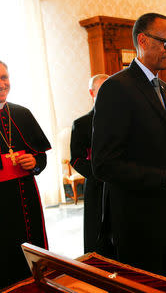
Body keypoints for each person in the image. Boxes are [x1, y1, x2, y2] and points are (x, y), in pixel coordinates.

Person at [91, 13, 166, 280]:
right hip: (135, 218)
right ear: (143, 40)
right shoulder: (116, 88)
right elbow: (104, 164)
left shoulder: (165, 89)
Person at [0, 57, 51, 292]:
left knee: (32, 265)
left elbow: (41, 158)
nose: (0, 83)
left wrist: (34, 162)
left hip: (25, 202)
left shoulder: (22, 113)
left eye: (4, 77)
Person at [70, 73, 113, 256]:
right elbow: (76, 159)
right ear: (92, 92)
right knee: (97, 234)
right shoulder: (81, 124)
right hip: (96, 185)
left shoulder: (123, 119)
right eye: (102, 89)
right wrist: (100, 173)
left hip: (122, 184)